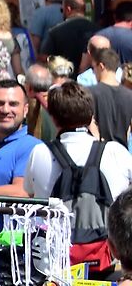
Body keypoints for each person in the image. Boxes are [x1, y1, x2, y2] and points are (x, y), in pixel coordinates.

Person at [32, 81, 131, 270]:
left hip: (55, 262)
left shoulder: (40, 152)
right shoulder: (115, 152)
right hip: (107, 259)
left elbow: (29, 190)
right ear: (91, 115)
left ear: (53, 118)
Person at [47, 0, 96, 72]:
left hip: (65, 78)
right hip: (92, 79)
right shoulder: (97, 30)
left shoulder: (55, 31)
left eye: (62, 10)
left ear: (68, 9)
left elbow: (46, 56)